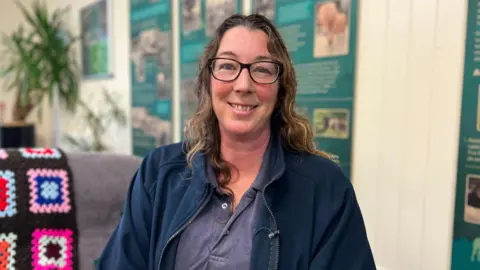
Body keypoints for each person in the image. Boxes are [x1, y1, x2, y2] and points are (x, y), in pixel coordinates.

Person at [96, 14, 375, 270]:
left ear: (281, 89)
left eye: (262, 70)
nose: (243, 85)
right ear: (209, 81)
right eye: (228, 66)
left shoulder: (325, 189)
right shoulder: (159, 173)